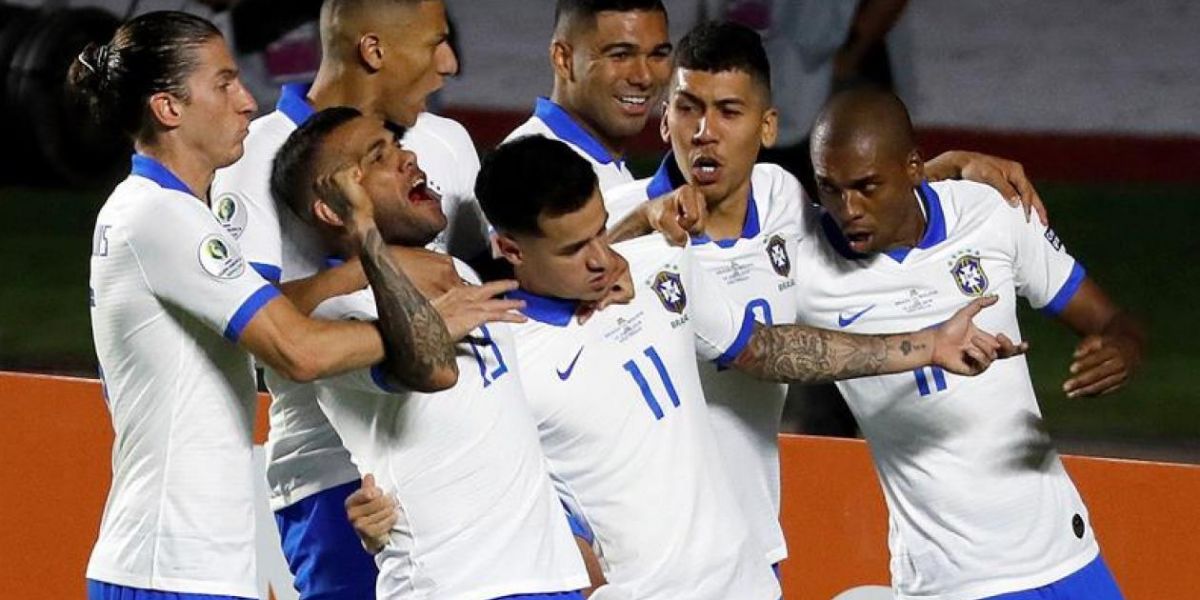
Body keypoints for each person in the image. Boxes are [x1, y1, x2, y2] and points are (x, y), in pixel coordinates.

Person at [351, 135, 1026, 599]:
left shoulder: (655, 265)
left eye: (599, 232)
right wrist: (383, 521)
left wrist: (926, 343)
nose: (600, 260)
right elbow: (449, 484)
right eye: (574, 248)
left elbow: (766, 349)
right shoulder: (502, 356)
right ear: (507, 248)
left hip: (745, 584)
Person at [604, 20, 1048, 573]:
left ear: (768, 128)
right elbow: (759, 351)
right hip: (648, 551)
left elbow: (864, 207)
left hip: (750, 542)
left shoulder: (781, 198)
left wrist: (949, 166)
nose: (704, 131)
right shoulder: (623, 225)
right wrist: (638, 225)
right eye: (689, 108)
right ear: (664, 118)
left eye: (728, 112)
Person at [71, 12, 460, 600]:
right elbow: (296, 349)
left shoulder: (167, 211)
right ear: (168, 108)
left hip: (189, 563)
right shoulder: (160, 216)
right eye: (224, 84)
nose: (247, 102)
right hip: (168, 565)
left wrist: (356, 274)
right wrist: (428, 328)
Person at [795, 88, 1141, 599]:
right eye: (830, 188)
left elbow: (1112, 318)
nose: (848, 209)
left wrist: (1122, 347)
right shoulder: (805, 266)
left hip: (1064, 553)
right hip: (949, 581)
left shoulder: (990, 212)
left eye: (867, 186)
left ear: (913, 168)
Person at [208, 1, 487, 596]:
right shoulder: (255, 157)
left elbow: (483, 291)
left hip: (457, 465)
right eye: (436, 42)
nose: (450, 64)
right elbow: (248, 335)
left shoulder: (449, 143)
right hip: (334, 480)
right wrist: (375, 267)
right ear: (374, 50)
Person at [271, 109, 595, 599]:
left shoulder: (460, 273)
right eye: (379, 157)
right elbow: (433, 367)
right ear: (334, 206)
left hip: (549, 581)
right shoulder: (340, 314)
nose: (409, 158)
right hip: (454, 587)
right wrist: (365, 231)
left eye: (397, 145)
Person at [503, 0, 673, 191]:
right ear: (564, 60)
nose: (645, 77)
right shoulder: (528, 170)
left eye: (657, 55)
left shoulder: (603, 168)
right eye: (620, 55)